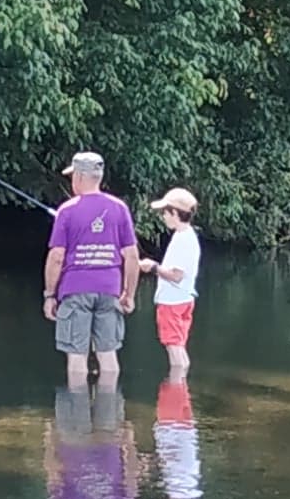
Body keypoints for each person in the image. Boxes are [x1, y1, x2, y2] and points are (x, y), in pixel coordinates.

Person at [43, 151, 140, 388]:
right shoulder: (119, 208)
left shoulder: (67, 210)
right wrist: (129, 294)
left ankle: (76, 409)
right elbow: (132, 256)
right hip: (109, 290)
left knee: (77, 356)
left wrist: (49, 295)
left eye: (72, 177)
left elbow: (56, 257)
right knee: (108, 354)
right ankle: (109, 408)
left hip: (75, 291)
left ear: (79, 176)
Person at [138, 187, 200, 376]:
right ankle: (181, 386)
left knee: (174, 348)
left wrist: (153, 267)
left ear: (175, 213)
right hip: (183, 299)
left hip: (173, 302)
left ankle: (176, 386)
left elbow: (176, 276)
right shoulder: (186, 235)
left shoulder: (183, 240)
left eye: (165, 212)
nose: (163, 216)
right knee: (179, 346)